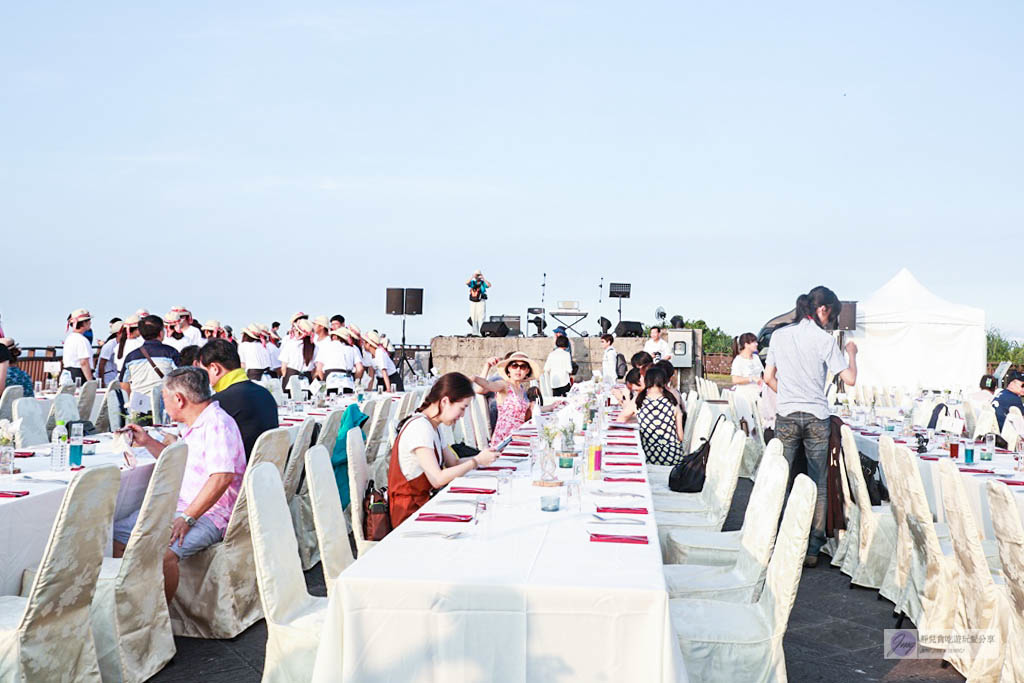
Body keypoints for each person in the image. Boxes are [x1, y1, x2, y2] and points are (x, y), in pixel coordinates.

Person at [115, 367, 247, 602]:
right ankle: (131, 607)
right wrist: (147, 441)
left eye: (164, 397)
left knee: (163, 554)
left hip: (212, 513)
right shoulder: (200, 421)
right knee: (116, 536)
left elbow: (222, 477)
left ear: (179, 399)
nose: (163, 404)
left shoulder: (216, 424)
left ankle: (160, 620)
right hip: (183, 505)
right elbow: (181, 461)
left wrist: (187, 517)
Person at [763, 286, 857, 568]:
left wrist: (789, 395)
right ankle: (812, 548)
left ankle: (775, 540)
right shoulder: (824, 340)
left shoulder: (779, 336)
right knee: (817, 482)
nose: (831, 322)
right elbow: (850, 379)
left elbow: (768, 378)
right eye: (833, 316)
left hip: (787, 414)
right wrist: (852, 353)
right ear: (823, 310)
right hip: (817, 415)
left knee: (783, 478)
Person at [387, 373, 500, 526]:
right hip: (409, 515)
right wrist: (476, 461)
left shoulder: (433, 426)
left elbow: (453, 462)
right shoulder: (420, 428)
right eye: (462, 408)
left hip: (424, 506)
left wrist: (484, 457)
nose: (462, 415)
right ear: (445, 401)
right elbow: (437, 479)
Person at [199, 339, 279, 459]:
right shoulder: (265, 393)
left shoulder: (217, 403)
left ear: (215, 368)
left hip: (236, 472)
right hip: (266, 469)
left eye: (204, 371)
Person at [472, 352, 543, 447]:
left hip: (519, 437)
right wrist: (484, 369)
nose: (518, 369)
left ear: (527, 371)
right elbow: (482, 388)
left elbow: (534, 409)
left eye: (523, 367)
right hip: (504, 440)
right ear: (509, 369)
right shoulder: (504, 385)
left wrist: (553, 405)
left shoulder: (522, 389)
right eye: (514, 366)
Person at [119, 315, 181, 412]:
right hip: (164, 407)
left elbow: (124, 384)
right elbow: (181, 377)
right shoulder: (171, 352)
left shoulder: (131, 357)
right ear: (161, 333)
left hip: (138, 407)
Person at [635, 365, 687, 465]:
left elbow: (621, 418)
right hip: (673, 457)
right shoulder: (673, 402)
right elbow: (680, 437)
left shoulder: (638, 402)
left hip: (647, 456)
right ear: (665, 382)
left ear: (646, 381)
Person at [315, 326, 363, 394]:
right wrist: (355, 380)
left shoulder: (325, 346)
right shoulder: (352, 349)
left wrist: (324, 380)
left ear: (336, 336)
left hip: (331, 382)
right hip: (347, 382)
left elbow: (319, 369)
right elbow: (360, 369)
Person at [61, 308, 95, 383]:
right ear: (84, 323)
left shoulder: (69, 338)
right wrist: (90, 381)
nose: (90, 322)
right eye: (88, 320)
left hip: (68, 375)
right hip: (79, 375)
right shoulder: (82, 340)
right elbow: (84, 362)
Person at [96, 319, 123, 387]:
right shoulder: (110, 345)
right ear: (118, 333)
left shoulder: (121, 344)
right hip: (107, 378)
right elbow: (101, 364)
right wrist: (101, 382)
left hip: (114, 377)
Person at [467, 270, 490, 335]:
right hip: (473, 302)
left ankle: (482, 332)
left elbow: (489, 285)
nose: (477, 276)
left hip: (481, 301)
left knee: (481, 316)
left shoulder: (483, 283)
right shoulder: (472, 282)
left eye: (478, 275)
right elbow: (466, 283)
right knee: (473, 316)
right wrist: (472, 276)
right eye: (476, 275)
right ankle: (475, 332)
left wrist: (483, 278)